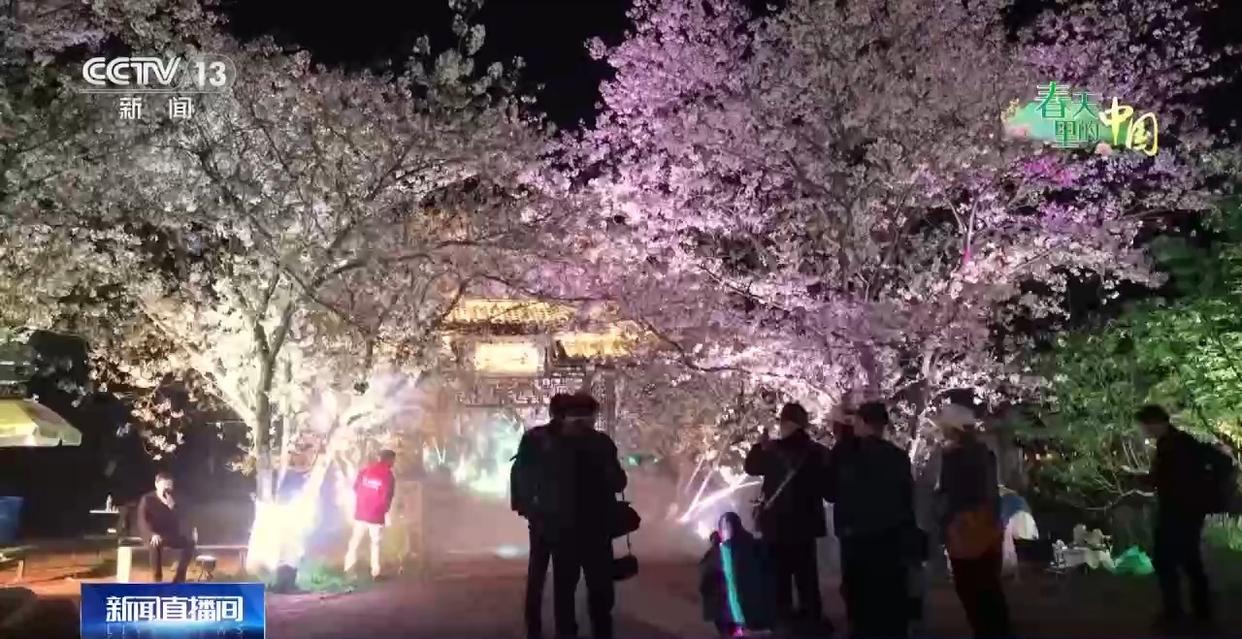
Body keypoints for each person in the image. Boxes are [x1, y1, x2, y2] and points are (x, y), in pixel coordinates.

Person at [825, 401, 916, 639]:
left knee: (860, 600)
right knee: (889, 596)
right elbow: (908, 500)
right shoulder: (898, 457)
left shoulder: (844, 455)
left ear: (863, 423)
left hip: (854, 537)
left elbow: (829, 492)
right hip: (890, 536)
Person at [743, 402, 831, 633]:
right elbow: (828, 488)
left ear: (787, 424)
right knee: (807, 579)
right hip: (806, 526)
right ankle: (811, 621)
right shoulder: (819, 452)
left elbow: (750, 467)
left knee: (779, 580)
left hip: (777, 526)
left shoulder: (772, 449)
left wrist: (759, 446)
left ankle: (783, 623)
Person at [549, 394, 628, 639]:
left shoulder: (554, 444)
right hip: (597, 528)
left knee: (564, 590)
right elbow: (618, 482)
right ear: (593, 416)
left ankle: (566, 633)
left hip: (563, 528)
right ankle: (602, 632)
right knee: (600, 591)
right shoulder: (602, 444)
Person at [1134, 404, 1217, 630]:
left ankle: (1179, 613)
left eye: (1146, 426)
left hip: (1180, 511)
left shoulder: (1176, 445)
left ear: (1156, 422)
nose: (1144, 431)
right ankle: (1199, 613)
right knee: (1188, 560)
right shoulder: (1174, 442)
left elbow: (1171, 479)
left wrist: (1146, 480)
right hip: (1184, 510)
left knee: (1169, 560)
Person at [935, 403, 1011, 639]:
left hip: (963, 529)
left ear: (954, 429)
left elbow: (950, 495)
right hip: (987, 526)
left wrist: (943, 523)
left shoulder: (952, 458)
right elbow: (991, 493)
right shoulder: (986, 454)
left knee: (969, 588)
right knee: (988, 587)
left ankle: (986, 631)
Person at [511, 393, 575, 639]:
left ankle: (535, 628)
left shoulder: (535, 437)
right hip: (565, 517)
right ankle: (564, 628)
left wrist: (524, 505)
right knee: (563, 577)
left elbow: (519, 472)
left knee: (538, 573)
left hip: (542, 515)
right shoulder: (576, 440)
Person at [699, 512, 776, 637]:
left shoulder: (720, 552)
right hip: (757, 613)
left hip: (733, 612)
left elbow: (706, 576)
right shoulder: (754, 546)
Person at [345, 449, 397, 579]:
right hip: (375, 515)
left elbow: (355, 487)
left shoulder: (365, 471)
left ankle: (348, 570)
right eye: (393, 460)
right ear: (389, 460)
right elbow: (387, 497)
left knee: (355, 542)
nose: (393, 463)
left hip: (361, 512)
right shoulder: (388, 476)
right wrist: (384, 511)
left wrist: (363, 501)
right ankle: (375, 572)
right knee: (375, 543)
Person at [136, 471, 195, 583]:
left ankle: (179, 576)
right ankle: (157, 579)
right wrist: (152, 534)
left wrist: (173, 508)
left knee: (190, 542)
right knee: (155, 543)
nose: (167, 490)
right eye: (164, 486)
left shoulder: (174, 500)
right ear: (157, 485)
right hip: (152, 534)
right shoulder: (147, 499)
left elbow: (183, 519)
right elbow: (142, 521)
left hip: (169, 535)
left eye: (169, 487)